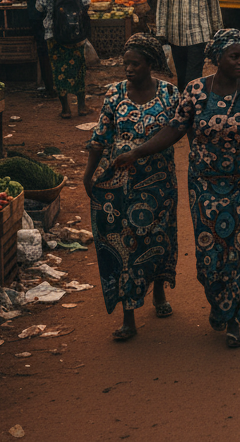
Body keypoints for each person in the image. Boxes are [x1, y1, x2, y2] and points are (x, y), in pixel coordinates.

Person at [115, 29, 240, 349]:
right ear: (217, 58)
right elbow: (174, 129)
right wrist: (138, 152)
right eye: (234, 56)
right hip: (204, 187)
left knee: (239, 254)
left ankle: (234, 321)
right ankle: (218, 304)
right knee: (210, 259)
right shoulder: (195, 91)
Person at [83, 34, 179, 342]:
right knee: (125, 245)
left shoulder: (169, 95)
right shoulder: (114, 95)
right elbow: (100, 136)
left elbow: (178, 130)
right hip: (121, 183)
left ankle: (159, 292)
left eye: (134, 64)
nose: (128, 69)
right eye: (125, 64)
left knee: (158, 236)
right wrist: (89, 173)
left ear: (149, 64)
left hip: (159, 182)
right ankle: (129, 317)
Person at [35, 0, 92, 119]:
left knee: (59, 70)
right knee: (79, 68)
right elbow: (87, 4)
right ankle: (81, 106)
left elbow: (39, 8)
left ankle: (66, 109)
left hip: (54, 36)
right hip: (76, 34)